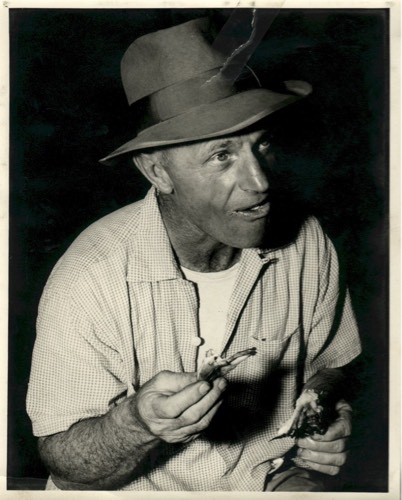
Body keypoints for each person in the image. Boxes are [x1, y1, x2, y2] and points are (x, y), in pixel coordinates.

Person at [26, 15, 361, 491]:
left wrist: (325, 404)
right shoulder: (89, 278)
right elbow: (66, 464)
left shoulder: (307, 241)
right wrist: (135, 424)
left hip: (264, 481)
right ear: (157, 172)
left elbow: (334, 365)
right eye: (222, 156)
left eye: (261, 143)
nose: (260, 181)